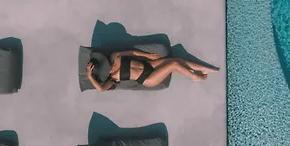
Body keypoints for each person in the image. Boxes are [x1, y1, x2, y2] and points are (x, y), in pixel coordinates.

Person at [85, 49, 218, 91]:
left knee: (176, 60)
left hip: (149, 65)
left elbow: (132, 52)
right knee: (174, 64)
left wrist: (148, 55)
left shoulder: (114, 56)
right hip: (147, 79)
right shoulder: (112, 79)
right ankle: (196, 77)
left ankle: (205, 68)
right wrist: (90, 76)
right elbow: (101, 89)